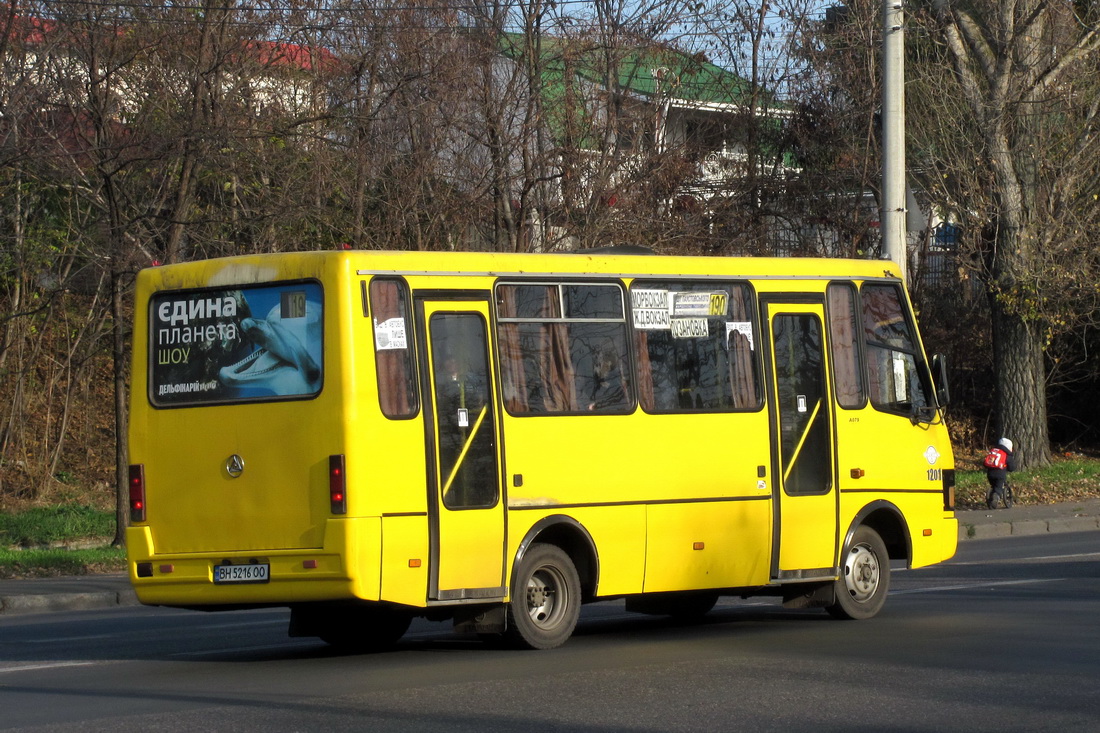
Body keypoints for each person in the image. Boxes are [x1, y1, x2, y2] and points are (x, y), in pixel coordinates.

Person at [984, 437, 1017, 509]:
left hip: (990, 473)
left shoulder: (993, 451)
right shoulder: (1006, 455)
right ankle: (996, 497)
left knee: (994, 485)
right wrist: (1011, 469)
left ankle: (992, 495)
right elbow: (1011, 467)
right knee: (999, 487)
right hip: (1000, 474)